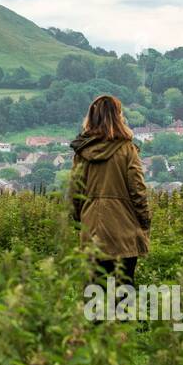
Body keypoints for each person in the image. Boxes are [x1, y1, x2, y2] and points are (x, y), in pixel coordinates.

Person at [68, 94, 151, 285]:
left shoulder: (81, 153)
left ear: (91, 118)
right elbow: (138, 190)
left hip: (92, 231)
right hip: (124, 231)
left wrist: (80, 220)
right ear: (118, 116)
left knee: (94, 295)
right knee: (123, 296)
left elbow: (74, 193)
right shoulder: (128, 149)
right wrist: (145, 222)